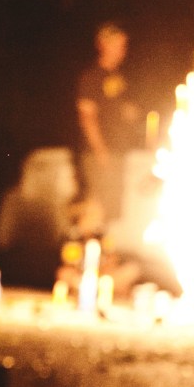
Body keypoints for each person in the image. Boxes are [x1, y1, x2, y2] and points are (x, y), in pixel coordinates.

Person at [76, 22, 141, 232]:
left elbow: (117, 109)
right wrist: (100, 151)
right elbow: (87, 117)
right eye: (118, 45)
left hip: (118, 152)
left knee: (114, 209)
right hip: (101, 154)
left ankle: (108, 257)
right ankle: (89, 255)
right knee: (98, 209)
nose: (123, 50)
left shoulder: (119, 78)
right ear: (103, 45)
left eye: (124, 45)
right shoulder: (92, 78)